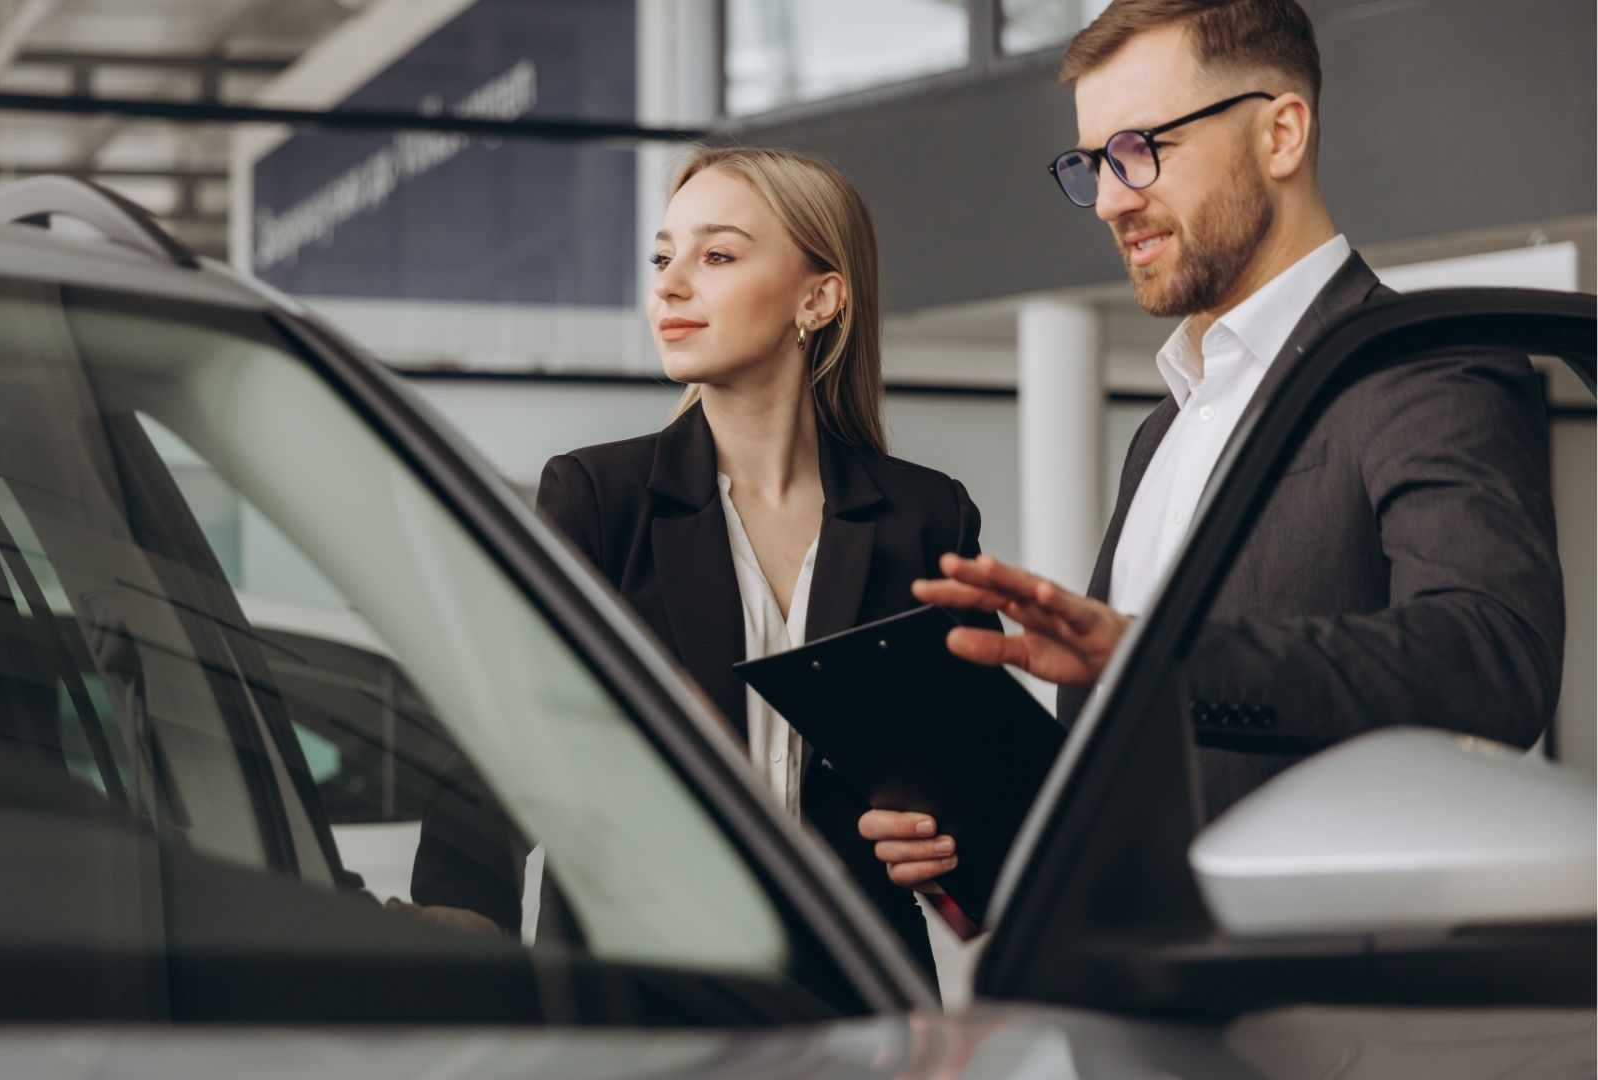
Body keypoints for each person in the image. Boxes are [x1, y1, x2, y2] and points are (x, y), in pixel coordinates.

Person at [860, 0, 1564, 897]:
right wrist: (985, 842)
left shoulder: (1420, 363)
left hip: (1313, 995)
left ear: (1280, 134)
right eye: (1091, 164)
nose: (1111, 199)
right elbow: (1130, 746)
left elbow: (1489, 658)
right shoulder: (1167, 424)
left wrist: (1157, 660)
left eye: (1140, 149)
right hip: (1130, 979)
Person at [409, 145, 994, 976]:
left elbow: (975, 779)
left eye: (715, 255)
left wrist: (943, 845)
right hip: (641, 996)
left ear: (820, 298)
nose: (670, 285)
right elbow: (499, 737)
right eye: (662, 257)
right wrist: (466, 917)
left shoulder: (925, 515)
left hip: (857, 998)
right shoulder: (598, 498)